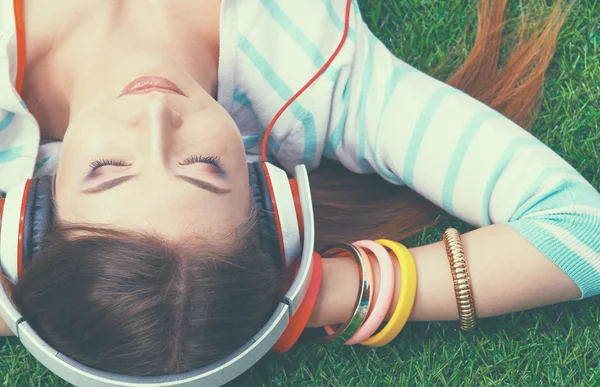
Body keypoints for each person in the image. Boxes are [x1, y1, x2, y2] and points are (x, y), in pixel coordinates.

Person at [0, 0, 597, 379]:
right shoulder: (318, 78)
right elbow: (582, 232)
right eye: (205, 165)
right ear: (272, 202)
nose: (155, 118)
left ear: (34, 212)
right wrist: (319, 290)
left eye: (106, 168)